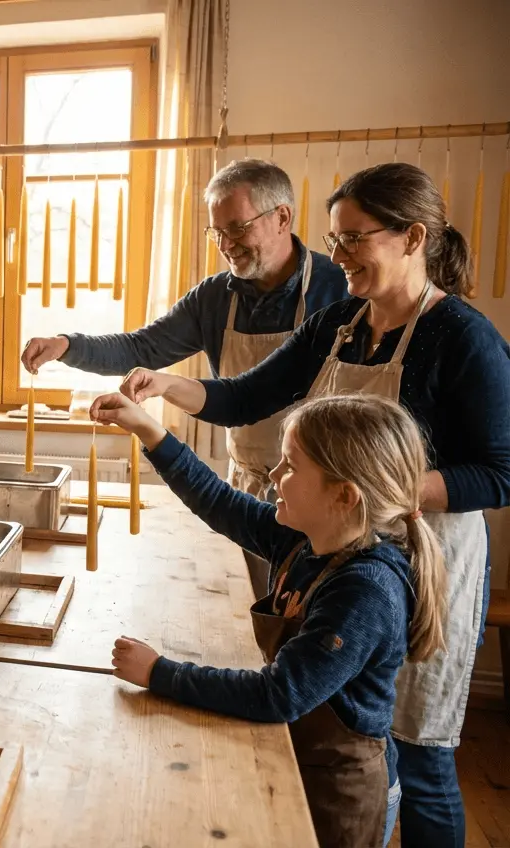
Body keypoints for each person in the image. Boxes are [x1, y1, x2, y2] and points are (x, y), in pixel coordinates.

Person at [118, 163, 510, 847]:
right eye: (334, 241)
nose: (339, 257)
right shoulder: (339, 323)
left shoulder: (465, 338)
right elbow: (242, 397)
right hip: (345, 533)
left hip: (425, 562)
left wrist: (387, 487)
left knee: (419, 756)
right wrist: (161, 398)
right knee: (366, 742)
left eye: (354, 239)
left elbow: (501, 474)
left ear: (412, 237)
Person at [93, 391, 445, 848]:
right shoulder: (303, 539)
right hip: (295, 757)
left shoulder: (365, 592)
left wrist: (161, 672)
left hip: (340, 792)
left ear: (343, 495)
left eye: (290, 465)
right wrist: (149, 429)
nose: (274, 475)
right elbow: (219, 501)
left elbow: (279, 693)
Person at [22, 160, 348, 598]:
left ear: (282, 217)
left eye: (237, 229)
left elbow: (247, 396)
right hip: (249, 487)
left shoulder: (339, 292)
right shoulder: (216, 297)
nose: (227, 245)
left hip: (325, 495)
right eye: (217, 233)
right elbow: (143, 347)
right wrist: (68, 345)